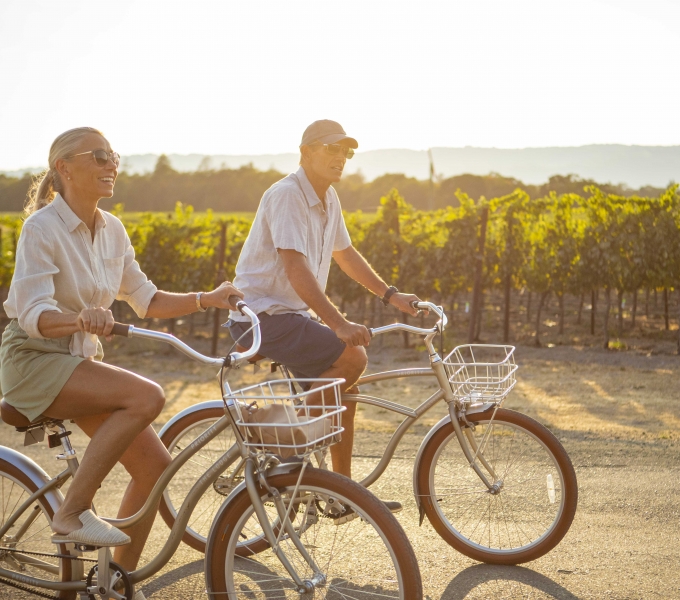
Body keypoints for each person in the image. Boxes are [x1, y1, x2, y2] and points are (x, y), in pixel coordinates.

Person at [0, 127, 242, 593]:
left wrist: (207, 298)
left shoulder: (112, 230)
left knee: (155, 469)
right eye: (99, 155)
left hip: (77, 362)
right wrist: (78, 319)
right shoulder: (41, 228)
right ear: (64, 168)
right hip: (33, 360)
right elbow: (31, 314)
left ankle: (115, 583)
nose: (112, 163)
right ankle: (71, 513)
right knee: (146, 395)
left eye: (114, 155)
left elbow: (146, 299)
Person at [228, 120, 421, 505]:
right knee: (353, 357)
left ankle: (340, 493)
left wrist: (390, 295)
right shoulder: (287, 195)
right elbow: (295, 266)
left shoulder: (329, 198)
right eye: (331, 148)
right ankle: (288, 458)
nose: (340, 157)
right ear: (306, 152)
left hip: (289, 317)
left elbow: (345, 255)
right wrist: (339, 324)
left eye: (346, 151)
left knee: (345, 392)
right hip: (261, 318)